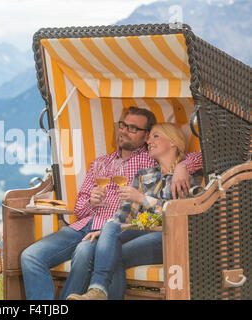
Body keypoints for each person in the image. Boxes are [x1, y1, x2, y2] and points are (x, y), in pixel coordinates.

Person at [20, 107, 203, 300]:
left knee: (87, 252)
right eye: (123, 125)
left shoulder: (149, 159)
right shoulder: (102, 163)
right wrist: (92, 201)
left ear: (145, 135)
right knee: (30, 256)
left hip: (124, 231)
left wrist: (183, 166)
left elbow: (194, 158)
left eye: (133, 128)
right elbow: (81, 209)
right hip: (89, 226)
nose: (124, 131)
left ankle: (86, 295)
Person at [66, 122, 202, 300]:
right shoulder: (143, 175)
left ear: (173, 142)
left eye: (155, 136)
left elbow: (177, 214)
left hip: (171, 237)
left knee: (113, 256)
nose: (149, 142)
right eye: (149, 137)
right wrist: (105, 231)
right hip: (143, 231)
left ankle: (97, 290)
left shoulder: (187, 177)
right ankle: (97, 291)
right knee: (110, 229)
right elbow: (125, 211)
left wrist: (142, 198)